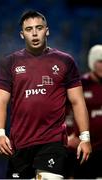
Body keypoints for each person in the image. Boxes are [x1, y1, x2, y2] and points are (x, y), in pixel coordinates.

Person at [0, 10, 92, 179]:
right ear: (22, 34)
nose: (35, 33)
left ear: (47, 30)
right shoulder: (9, 63)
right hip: (20, 143)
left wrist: (85, 137)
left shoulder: (65, 61)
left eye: (39, 28)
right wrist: (0, 134)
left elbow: (77, 101)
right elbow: (0, 102)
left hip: (53, 141)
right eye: (29, 29)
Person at [67, 44, 102, 179]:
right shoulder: (80, 85)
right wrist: (67, 135)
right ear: (92, 63)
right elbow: (57, 110)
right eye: (100, 61)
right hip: (85, 149)